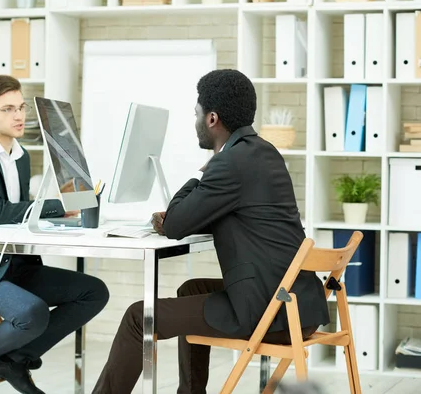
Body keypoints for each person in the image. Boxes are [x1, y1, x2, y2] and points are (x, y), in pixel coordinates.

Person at [91, 69, 329, 394]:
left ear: (212, 118)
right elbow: (224, 213)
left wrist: (200, 171)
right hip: (297, 303)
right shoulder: (263, 152)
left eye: (196, 114)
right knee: (191, 288)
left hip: (269, 314)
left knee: (138, 317)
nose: (196, 122)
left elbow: (175, 225)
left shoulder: (229, 162)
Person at [0, 75, 110, 394]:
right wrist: (56, 208)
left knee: (94, 291)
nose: (18, 116)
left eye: (21, 108)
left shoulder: (21, 155)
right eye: (7, 109)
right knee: (33, 312)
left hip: (16, 263)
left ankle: (14, 356)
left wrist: (61, 218)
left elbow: (18, 216)